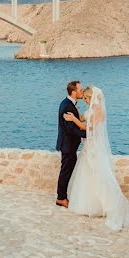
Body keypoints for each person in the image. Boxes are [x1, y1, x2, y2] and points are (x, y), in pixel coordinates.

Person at [63, 86, 129, 230]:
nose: (84, 100)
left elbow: (87, 128)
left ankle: (111, 205)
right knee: (87, 174)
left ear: (92, 98)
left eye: (86, 98)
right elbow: (82, 117)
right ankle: (89, 204)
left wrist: (73, 119)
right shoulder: (90, 110)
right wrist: (75, 113)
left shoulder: (99, 112)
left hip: (95, 147)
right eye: (83, 98)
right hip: (88, 146)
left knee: (101, 174)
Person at [55, 80, 86, 208]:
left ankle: (62, 196)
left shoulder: (69, 103)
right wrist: (86, 134)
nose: (82, 92)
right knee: (65, 172)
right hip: (68, 145)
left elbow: (75, 123)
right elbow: (70, 128)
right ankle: (61, 198)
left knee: (67, 171)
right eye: (80, 90)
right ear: (73, 92)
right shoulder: (67, 106)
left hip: (69, 145)